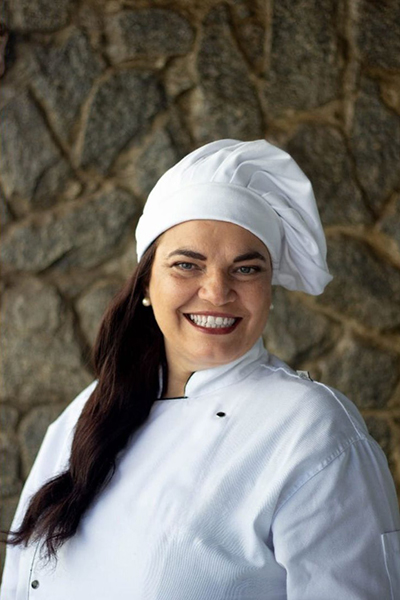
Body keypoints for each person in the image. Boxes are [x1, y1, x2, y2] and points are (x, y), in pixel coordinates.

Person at [1, 139, 399, 599]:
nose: (216, 292)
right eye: (187, 265)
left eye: (246, 269)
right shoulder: (89, 410)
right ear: (146, 283)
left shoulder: (313, 430)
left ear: (269, 288)